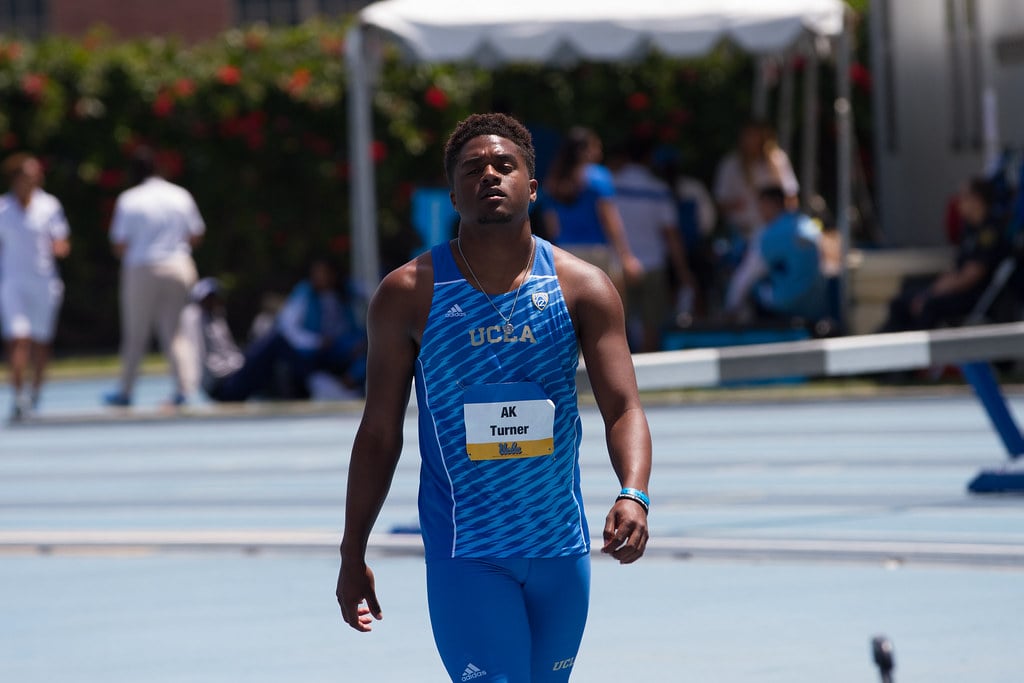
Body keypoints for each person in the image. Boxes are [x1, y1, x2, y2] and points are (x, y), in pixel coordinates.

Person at [335, 113, 652, 682]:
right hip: (469, 553)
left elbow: (623, 407)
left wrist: (634, 493)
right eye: (472, 168)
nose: (489, 175)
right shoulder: (409, 293)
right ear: (453, 195)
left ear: (532, 187)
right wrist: (351, 550)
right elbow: (379, 432)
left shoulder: (582, 287)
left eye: (505, 165)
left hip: (560, 550)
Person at [104, 147, 205, 407]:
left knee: (135, 334)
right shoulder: (179, 195)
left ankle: (125, 391)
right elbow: (196, 234)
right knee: (176, 332)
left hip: (142, 268)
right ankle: (184, 389)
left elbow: (119, 244)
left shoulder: (130, 199)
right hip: (179, 266)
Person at [880, 177, 1008, 332]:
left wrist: (930, 295)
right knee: (902, 300)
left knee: (928, 306)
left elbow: (969, 277)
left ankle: (917, 346)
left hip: (973, 296)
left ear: (977, 200)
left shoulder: (989, 232)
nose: (958, 201)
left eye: (963, 196)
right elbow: (956, 269)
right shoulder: (970, 230)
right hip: (958, 288)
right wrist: (930, 291)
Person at [0, 153, 70, 419]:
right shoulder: (3, 208)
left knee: (41, 342)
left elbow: (61, 240)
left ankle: (35, 394)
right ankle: (18, 396)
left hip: (44, 282)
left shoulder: (49, 205)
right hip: (13, 283)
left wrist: (59, 247)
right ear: (16, 177)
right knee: (18, 339)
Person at [611, 137, 695, 352]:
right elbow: (671, 235)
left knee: (616, 325)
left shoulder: (610, 185)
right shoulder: (658, 189)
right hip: (653, 264)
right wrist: (683, 271)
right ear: (649, 158)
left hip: (617, 264)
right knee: (651, 324)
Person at [541, 126, 643, 292]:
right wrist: (626, 256)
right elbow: (610, 221)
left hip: (565, 253)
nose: (600, 151)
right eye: (596, 146)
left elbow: (552, 227)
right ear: (585, 151)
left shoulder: (553, 181)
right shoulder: (599, 177)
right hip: (598, 254)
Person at [723, 185, 827, 323]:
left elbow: (744, 278)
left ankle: (747, 330)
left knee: (751, 285)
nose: (759, 212)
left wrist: (729, 310)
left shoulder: (769, 234)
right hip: (816, 306)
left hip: (786, 307)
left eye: (761, 206)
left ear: (770, 204)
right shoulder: (809, 225)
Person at [179, 277, 292, 402]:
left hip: (233, 374)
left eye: (215, 296)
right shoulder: (194, 316)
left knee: (270, 354)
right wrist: (185, 390)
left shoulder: (216, 317)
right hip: (222, 385)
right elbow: (195, 351)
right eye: (208, 297)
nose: (213, 301)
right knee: (275, 340)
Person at [267, 258, 367, 399]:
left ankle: (349, 382)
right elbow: (287, 326)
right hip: (314, 349)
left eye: (325, 273)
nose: (321, 277)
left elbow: (371, 291)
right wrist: (316, 341)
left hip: (342, 344)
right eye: (317, 273)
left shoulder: (346, 290)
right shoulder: (305, 292)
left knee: (370, 348)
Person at [713, 120, 799, 239]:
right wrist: (735, 205)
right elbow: (719, 202)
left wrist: (787, 224)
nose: (751, 141)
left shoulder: (778, 160)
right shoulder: (730, 164)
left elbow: (791, 196)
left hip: (773, 232)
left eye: (755, 136)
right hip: (740, 232)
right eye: (748, 136)